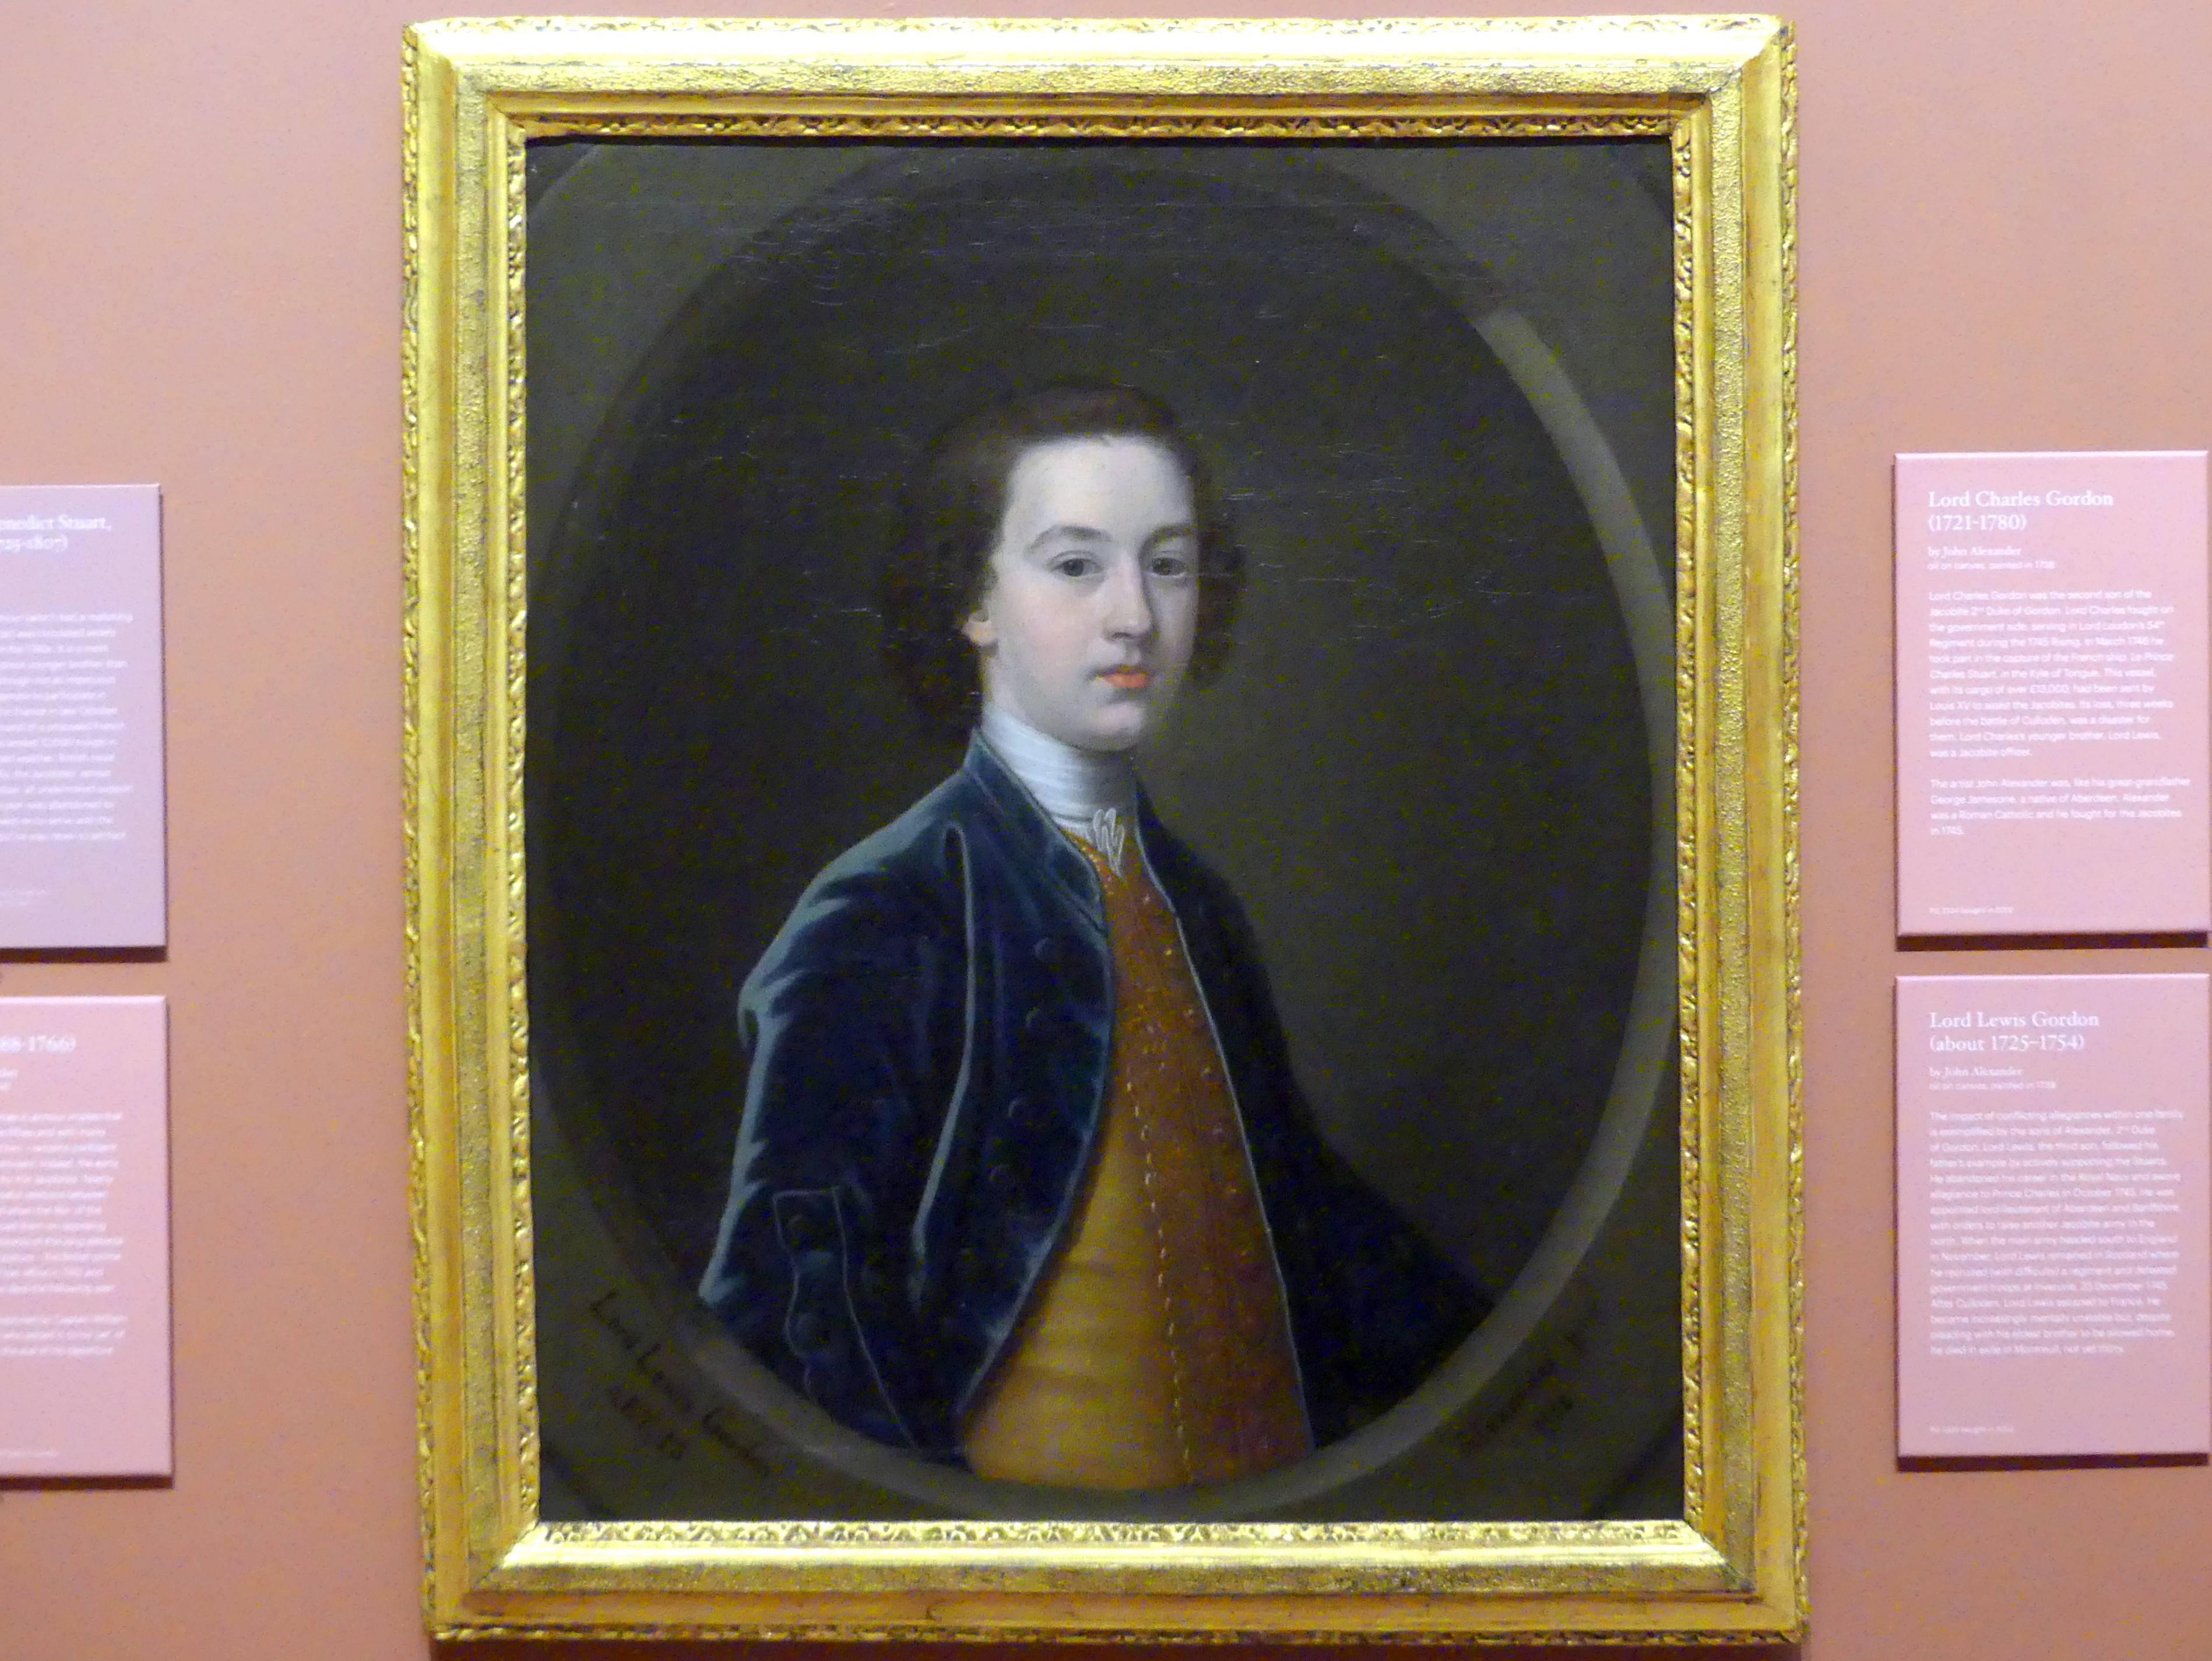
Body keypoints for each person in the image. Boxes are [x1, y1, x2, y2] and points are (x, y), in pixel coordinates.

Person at [699, 384, 1483, 1490]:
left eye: (1168, 564)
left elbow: (1300, 1208)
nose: (1136, 617)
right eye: (1077, 565)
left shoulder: (1193, 901)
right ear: (973, 601)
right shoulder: (885, 911)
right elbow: (798, 1306)